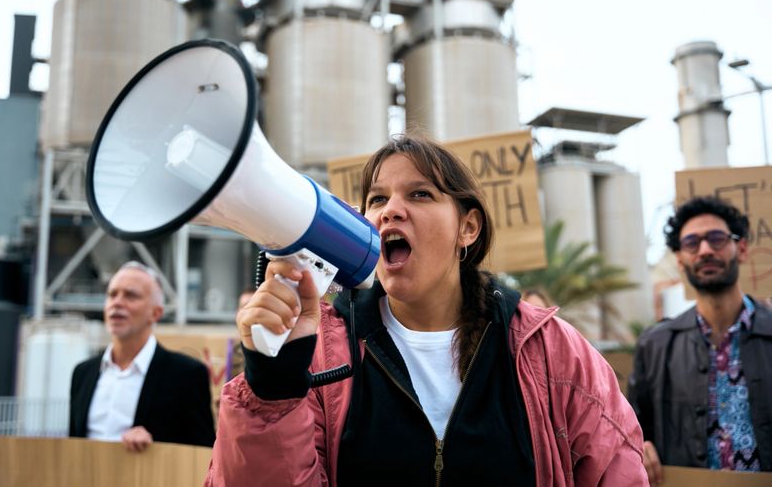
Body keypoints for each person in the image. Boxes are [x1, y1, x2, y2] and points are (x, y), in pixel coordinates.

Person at [206, 135, 647, 486]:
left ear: (468, 228)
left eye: (419, 194)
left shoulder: (552, 351)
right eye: (376, 200)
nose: (391, 211)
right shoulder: (319, 352)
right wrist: (273, 393)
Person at [628, 196, 772, 483]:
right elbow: (632, 431)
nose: (705, 250)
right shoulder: (655, 346)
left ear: (741, 249)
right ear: (680, 260)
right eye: (692, 243)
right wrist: (638, 448)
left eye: (717, 239)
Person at [70, 261, 215, 451]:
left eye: (131, 295)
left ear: (156, 313)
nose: (117, 302)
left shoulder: (187, 375)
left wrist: (155, 446)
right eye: (112, 294)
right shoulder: (83, 373)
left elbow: (202, 453)